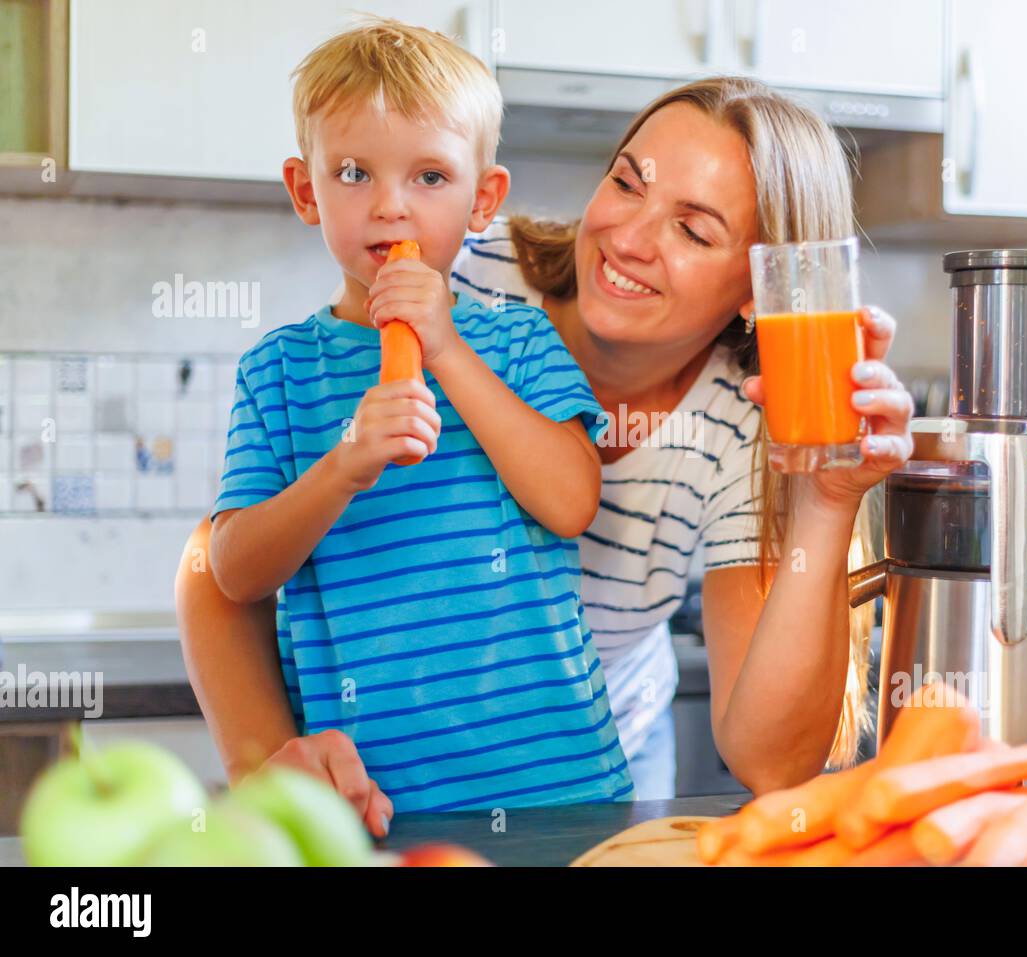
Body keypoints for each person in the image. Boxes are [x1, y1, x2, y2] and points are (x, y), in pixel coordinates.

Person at [178, 55, 914, 837]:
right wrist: (269, 774)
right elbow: (220, 565)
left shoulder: (745, 412)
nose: (627, 238)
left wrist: (832, 496)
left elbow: (772, 762)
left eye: (693, 229)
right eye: (628, 182)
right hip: (381, 785)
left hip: (571, 773)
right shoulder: (458, 262)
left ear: (756, 290)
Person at [204, 18, 633, 826]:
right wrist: (344, 464)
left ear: (484, 200)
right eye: (354, 172)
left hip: (562, 794)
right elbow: (235, 571)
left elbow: (572, 500)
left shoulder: (516, 339)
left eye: (430, 176)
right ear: (306, 191)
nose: (390, 207)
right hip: (376, 810)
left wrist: (445, 348)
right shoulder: (280, 371)